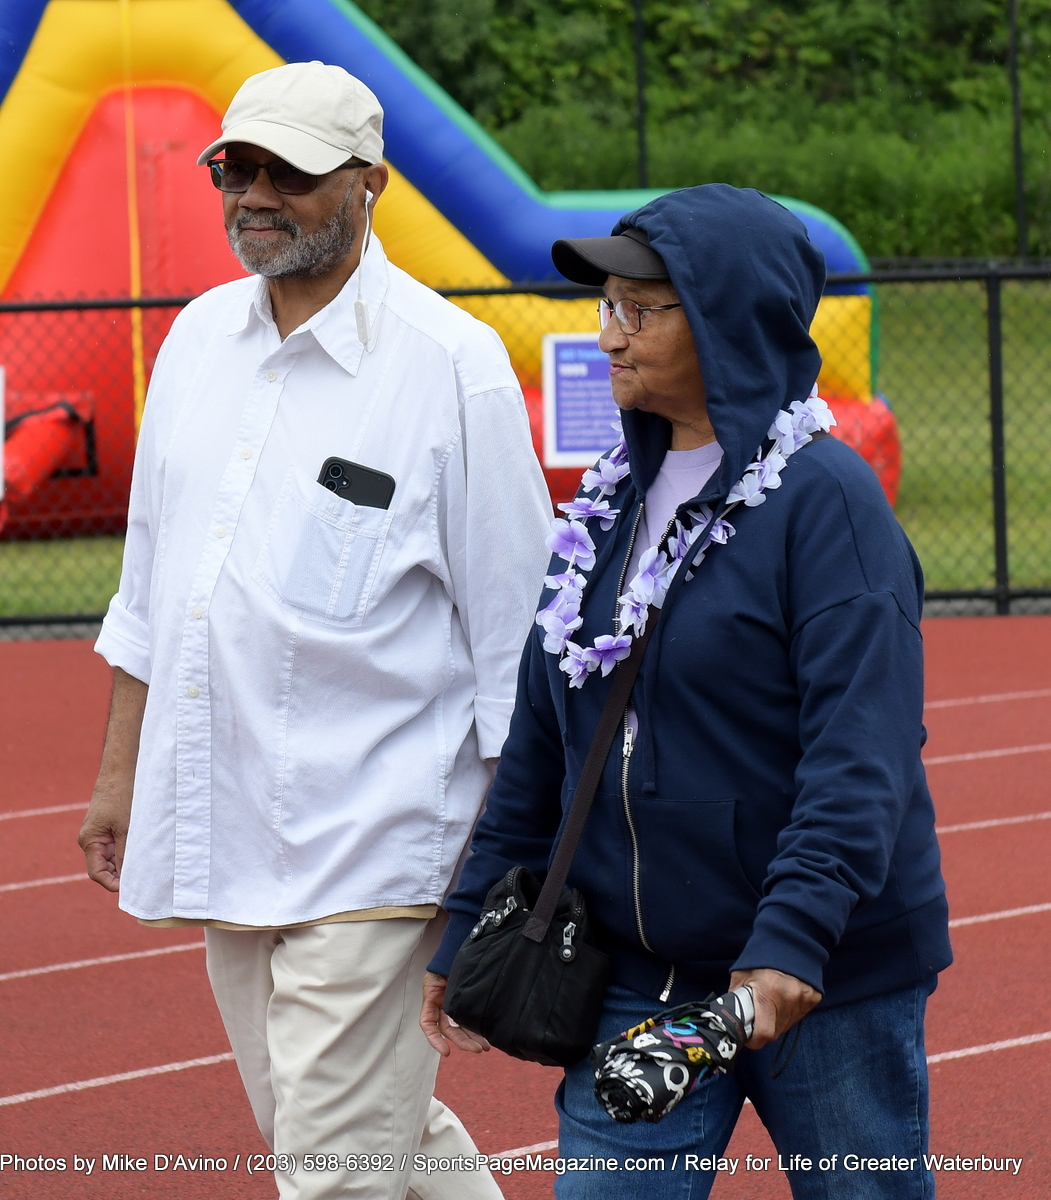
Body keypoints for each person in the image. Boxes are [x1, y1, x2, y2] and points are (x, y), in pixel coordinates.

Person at [78, 61, 552, 1200]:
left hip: (382, 840)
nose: (253, 194)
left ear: (368, 183)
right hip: (228, 824)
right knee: (368, 1137)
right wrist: (119, 774)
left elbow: (517, 638)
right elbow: (151, 587)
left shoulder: (452, 366)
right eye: (233, 169)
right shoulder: (195, 341)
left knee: (332, 1169)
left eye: (287, 172)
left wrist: (511, 855)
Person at [422, 184, 952, 1199]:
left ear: (725, 321)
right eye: (605, 306)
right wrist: (469, 919)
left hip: (821, 973)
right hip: (637, 974)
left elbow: (859, 754)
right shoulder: (607, 503)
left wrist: (790, 940)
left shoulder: (827, 506)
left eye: (638, 309)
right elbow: (543, 740)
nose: (606, 335)